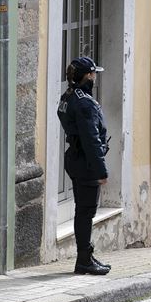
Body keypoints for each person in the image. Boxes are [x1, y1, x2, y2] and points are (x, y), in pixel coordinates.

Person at [57, 56, 112, 275]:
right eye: (93, 73)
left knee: (83, 210)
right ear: (88, 75)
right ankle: (84, 260)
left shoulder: (68, 96)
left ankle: (85, 257)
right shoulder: (85, 103)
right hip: (86, 162)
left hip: (75, 158)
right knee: (86, 212)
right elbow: (91, 139)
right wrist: (101, 170)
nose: (95, 77)